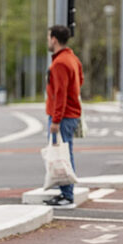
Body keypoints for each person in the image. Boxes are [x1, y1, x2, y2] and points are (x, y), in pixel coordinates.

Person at [44, 25, 84, 208]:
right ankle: (65, 193)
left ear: (54, 39)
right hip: (71, 114)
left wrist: (55, 120)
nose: (48, 41)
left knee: (62, 155)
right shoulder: (73, 59)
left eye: (48, 38)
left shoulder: (60, 63)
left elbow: (60, 93)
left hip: (63, 116)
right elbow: (80, 81)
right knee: (65, 153)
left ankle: (67, 195)